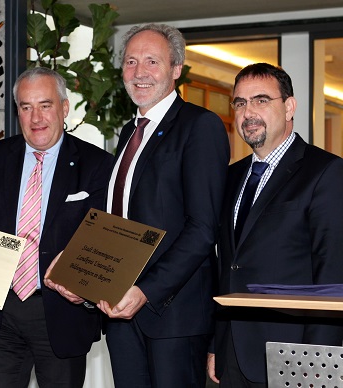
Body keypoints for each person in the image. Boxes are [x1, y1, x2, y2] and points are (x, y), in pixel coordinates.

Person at [0, 67, 114, 388]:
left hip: (61, 313)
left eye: (45, 105)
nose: (36, 117)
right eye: (26, 107)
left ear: (64, 107)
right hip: (0, 312)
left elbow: (103, 240)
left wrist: (85, 286)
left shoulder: (97, 164)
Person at [97, 23, 230, 387]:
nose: (139, 72)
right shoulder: (129, 132)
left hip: (173, 317)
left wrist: (145, 291)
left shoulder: (200, 127)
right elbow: (120, 219)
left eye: (152, 61)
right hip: (120, 313)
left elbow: (202, 230)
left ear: (175, 70)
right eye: (131, 61)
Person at [207, 63, 343, 387]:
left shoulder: (325, 172)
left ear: (289, 106)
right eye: (240, 103)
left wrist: (318, 358)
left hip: (294, 357)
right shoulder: (229, 176)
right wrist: (216, 343)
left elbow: (333, 275)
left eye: (261, 100)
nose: (248, 112)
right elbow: (227, 266)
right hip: (232, 355)